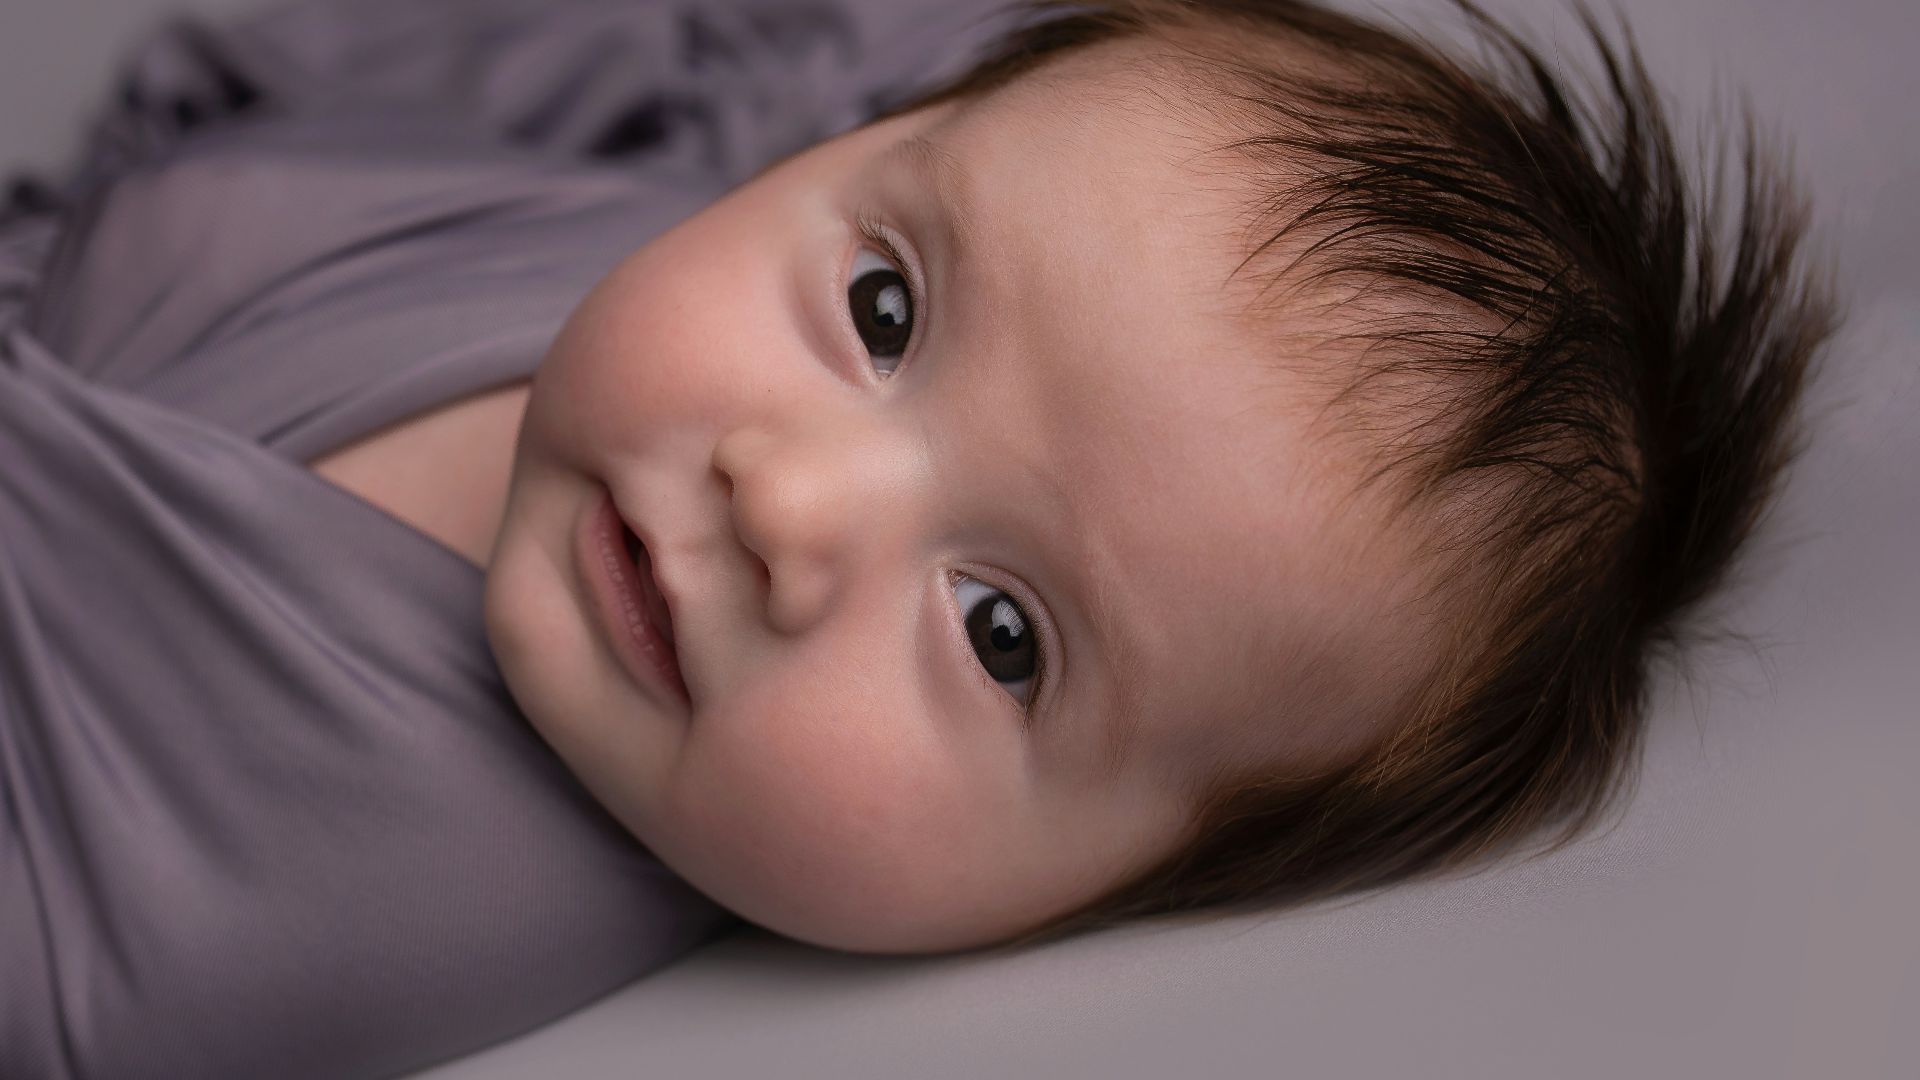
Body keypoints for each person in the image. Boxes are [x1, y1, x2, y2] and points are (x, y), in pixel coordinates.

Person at [0, 0, 1833, 1075]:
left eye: (1003, 635)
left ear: (1101, 898)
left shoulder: (290, 904)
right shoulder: (705, 243)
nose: (788, 505)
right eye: (884, 315)